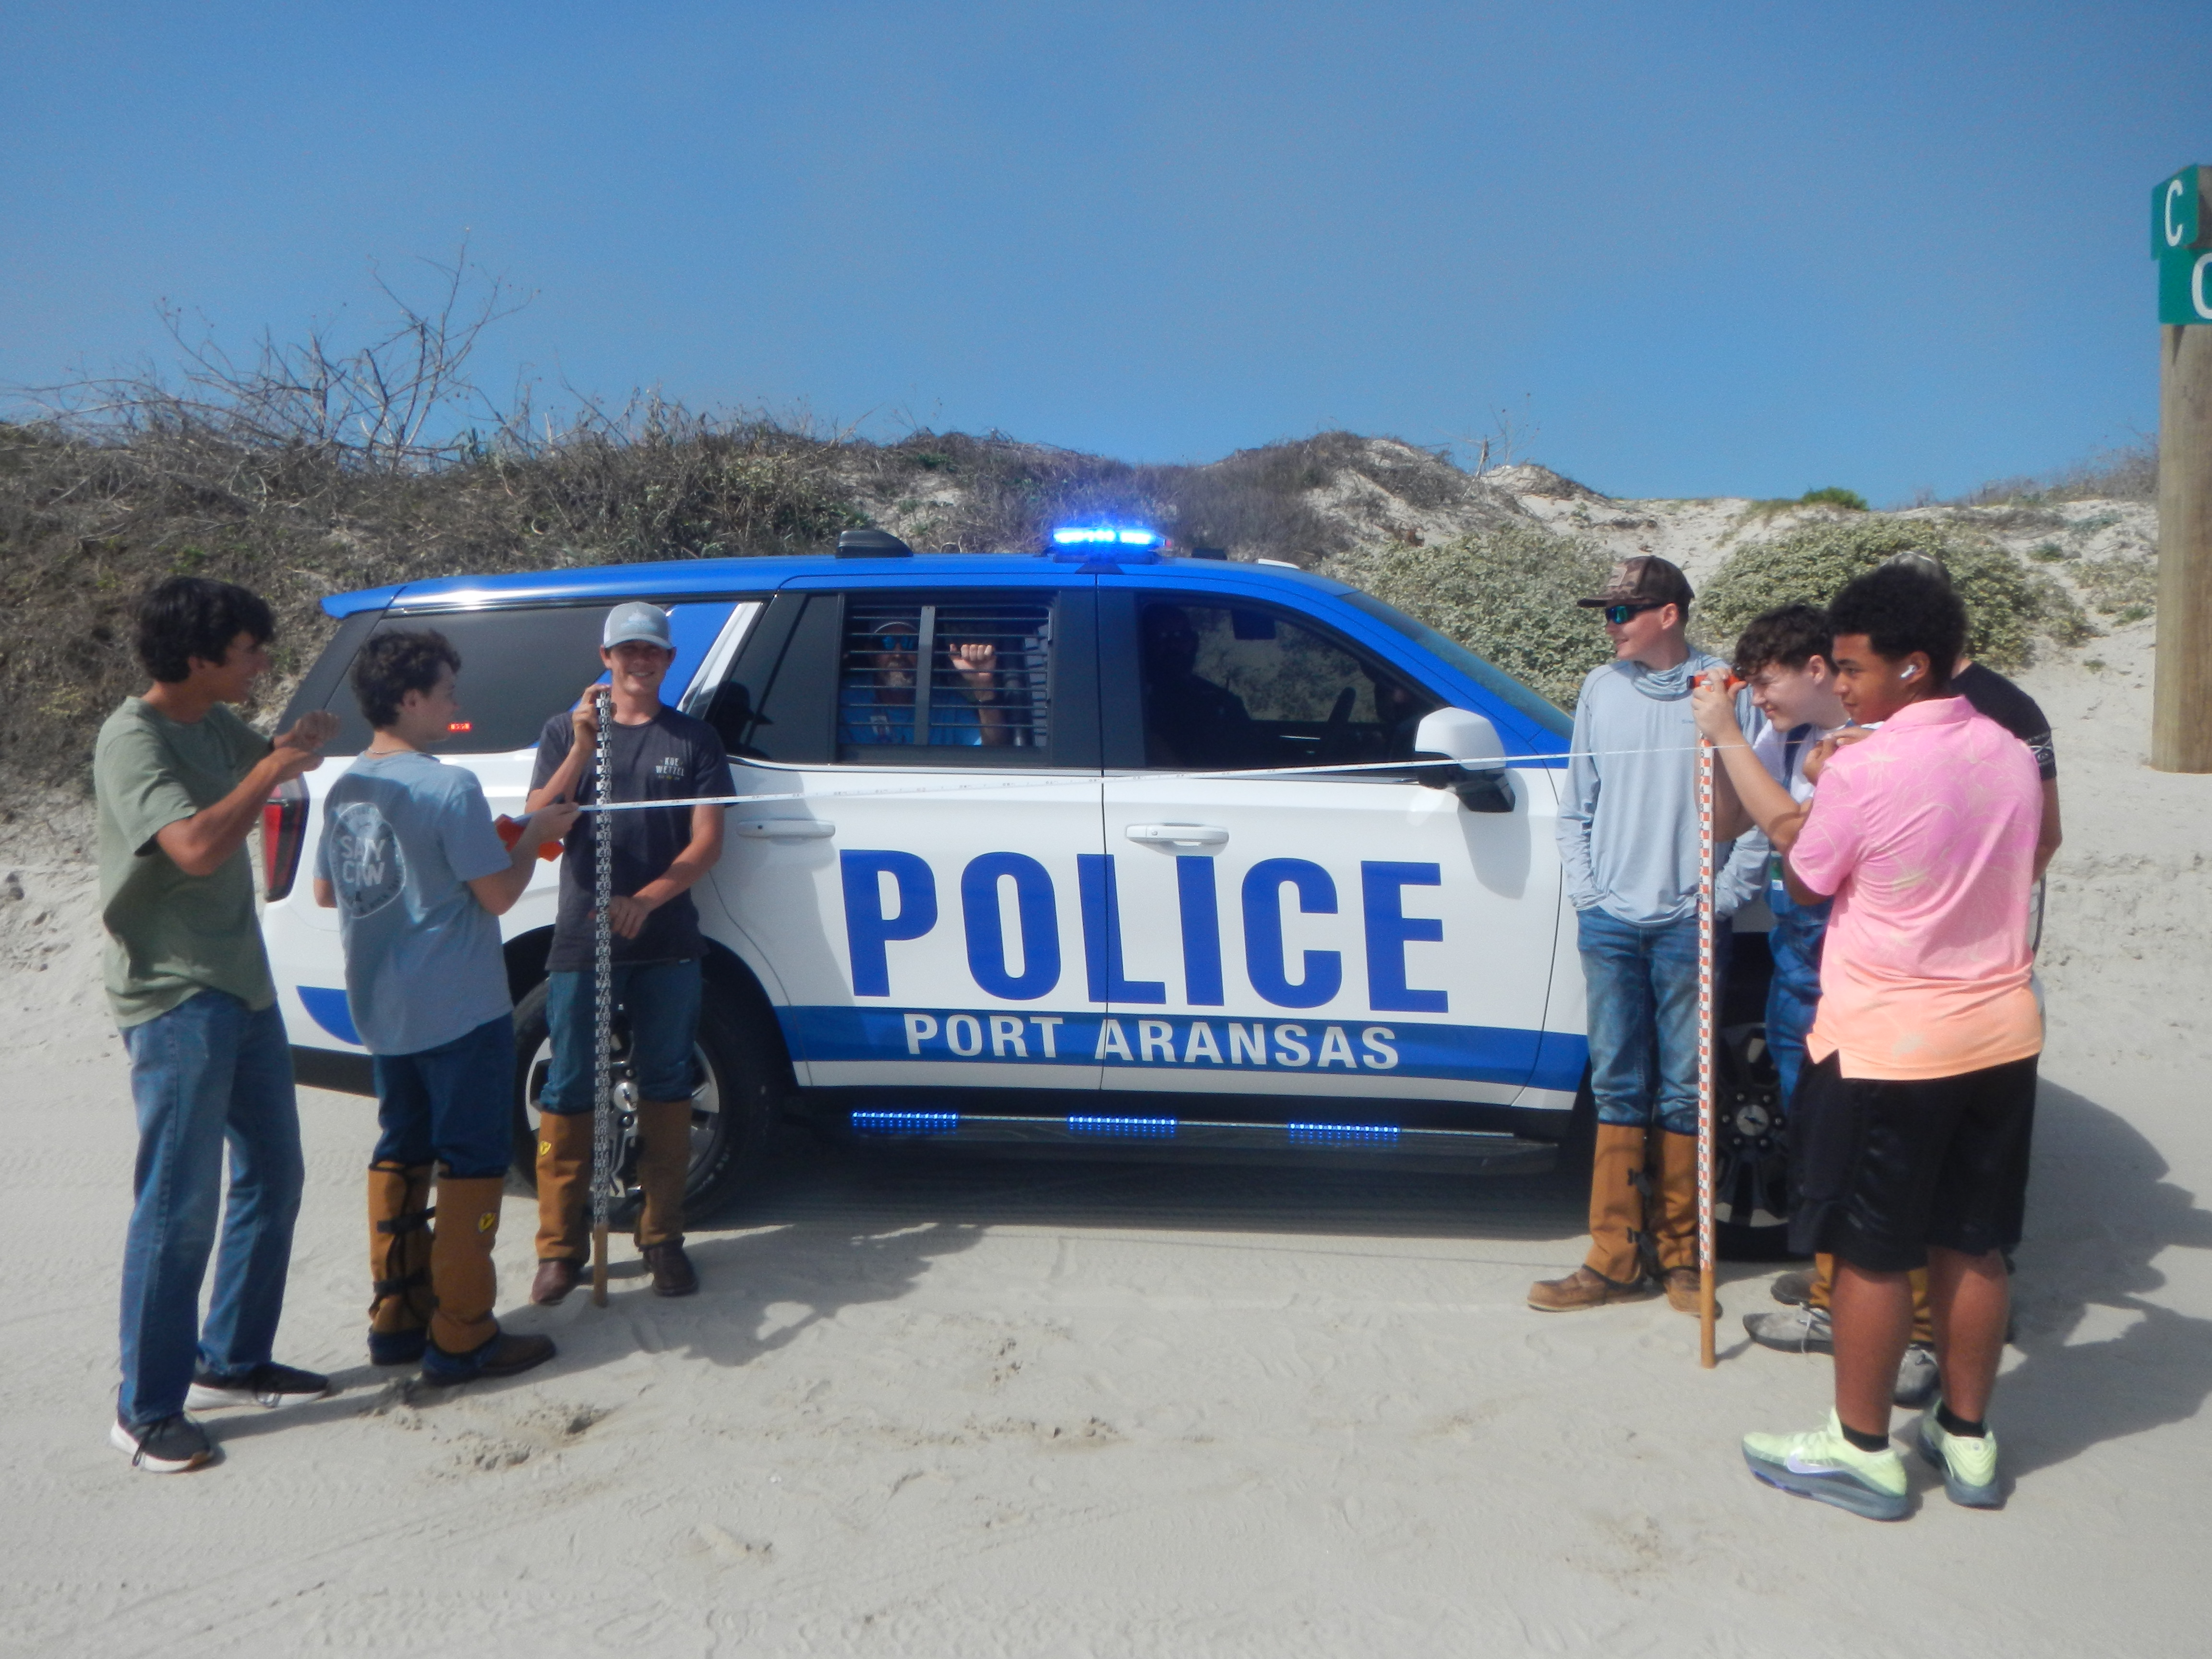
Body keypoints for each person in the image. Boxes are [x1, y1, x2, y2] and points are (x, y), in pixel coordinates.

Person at [1740, 565, 2043, 1520]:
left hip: (1887, 1043)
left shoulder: (1864, 765)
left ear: (1914, 667)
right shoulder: (2007, 749)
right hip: (1999, 1033)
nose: (1842, 680)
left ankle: (1862, 1448)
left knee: (1871, 1252)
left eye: (1856, 666)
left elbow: (1805, 881)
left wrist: (1829, 785)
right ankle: (1968, 1435)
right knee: (1974, 1242)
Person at [94, 577, 338, 1472]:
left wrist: (297, 749)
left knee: (274, 1172)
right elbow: (196, 847)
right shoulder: (134, 738)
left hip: (242, 984)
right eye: (249, 650)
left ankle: (230, 1358)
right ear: (199, 658)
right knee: (177, 1201)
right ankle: (145, 1406)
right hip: (173, 996)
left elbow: (273, 761)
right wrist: (273, 770)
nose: (262, 662)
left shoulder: (212, 724)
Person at [313, 631, 578, 1382]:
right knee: (471, 1160)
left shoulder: (348, 787)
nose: (457, 705)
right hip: (459, 1006)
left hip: (385, 1007)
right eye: (448, 692)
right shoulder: (447, 786)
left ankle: (397, 1314)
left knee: (401, 1147)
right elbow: (497, 894)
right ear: (410, 699)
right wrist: (533, 839)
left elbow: (331, 891)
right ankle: (464, 1331)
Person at [1693, 606, 1940, 1408]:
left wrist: (1732, 741)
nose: (1758, 697)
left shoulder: (1863, 746)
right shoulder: (1780, 735)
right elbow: (1736, 824)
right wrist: (1719, 740)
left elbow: (1798, 834)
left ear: (1814, 669)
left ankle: (1923, 1330)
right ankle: (1840, 1301)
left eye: (1765, 682)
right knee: (1818, 1142)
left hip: (1854, 969)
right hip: (1797, 964)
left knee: (1874, 1150)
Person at [1529, 556, 1761, 1315]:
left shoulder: (1725, 691)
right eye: (1606, 613)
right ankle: (1612, 1255)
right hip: (1612, 919)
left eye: (1622, 613)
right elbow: (1578, 803)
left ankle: (1682, 1256)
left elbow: (1762, 806)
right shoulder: (1601, 688)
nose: (1610, 627)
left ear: (1669, 615)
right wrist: (1590, 890)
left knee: (1689, 1088)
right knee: (1617, 1083)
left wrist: (1720, 897)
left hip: (1688, 923)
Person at [525, 601, 733, 1301]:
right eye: (627, 652)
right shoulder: (565, 731)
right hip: (584, 939)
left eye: (652, 652)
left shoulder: (695, 739)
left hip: (667, 937)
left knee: (667, 1080)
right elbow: (540, 826)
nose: (639, 662)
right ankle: (559, 1247)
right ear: (606, 659)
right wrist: (585, 745)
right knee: (569, 1082)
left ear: (669, 661)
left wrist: (648, 898)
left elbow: (706, 842)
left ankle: (661, 1237)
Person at [839, 616, 1008, 746]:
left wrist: (983, 686)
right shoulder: (845, 699)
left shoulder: (948, 706)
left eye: (909, 643)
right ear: (871, 652)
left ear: (924, 652)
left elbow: (993, 749)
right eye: (886, 643)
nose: (898, 653)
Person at [1140, 604, 1259, 768]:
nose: (1173, 646)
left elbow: (1250, 763)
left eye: (1181, 637)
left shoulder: (1221, 704)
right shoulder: (1129, 705)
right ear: (1145, 644)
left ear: (1194, 642)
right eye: (1161, 637)